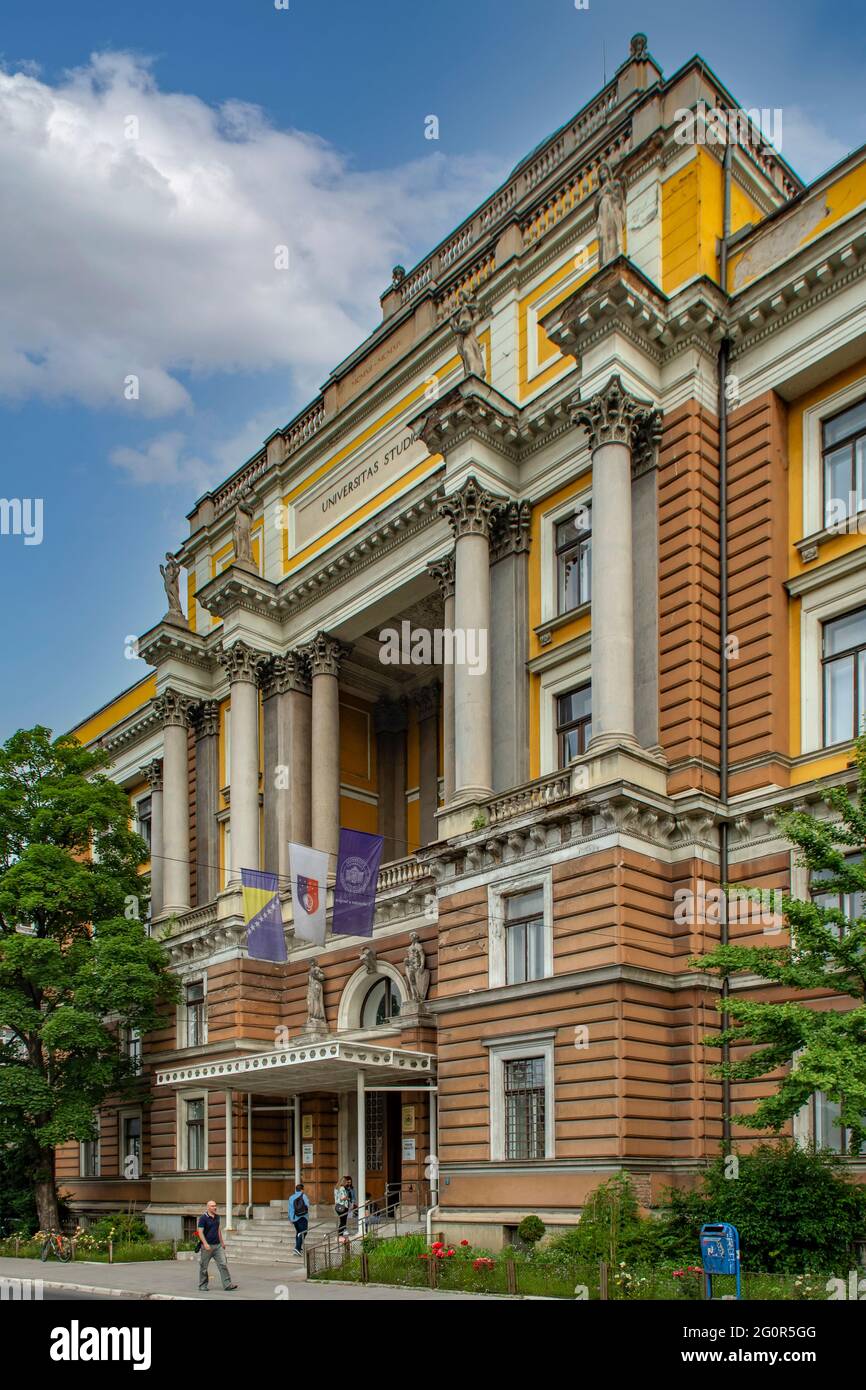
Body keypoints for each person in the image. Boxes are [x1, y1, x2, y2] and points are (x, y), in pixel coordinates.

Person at [196, 1200, 238, 1292]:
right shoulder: (203, 1218)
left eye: (215, 1205)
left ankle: (228, 1285)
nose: (214, 1207)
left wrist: (222, 1242)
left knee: (223, 1264)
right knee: (204, 1266)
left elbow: (218, 1230)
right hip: (207, 1247)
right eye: (212, 1206)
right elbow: (200, 1232)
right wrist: (205, 1244)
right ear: (208, 1207)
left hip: (217, 1246)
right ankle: (202, 1285)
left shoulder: (217, 1217)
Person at [288, 1182, 309, 1257]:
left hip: (294, 1218)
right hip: (302, 1217)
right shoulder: (303, 1196)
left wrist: (290, 1218)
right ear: (302, 1190)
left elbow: (289, 1209)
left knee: (298, 1232)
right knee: (304, 1232)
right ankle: (297, 1248)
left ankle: (298, 1248)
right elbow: (307, 1205)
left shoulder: (291, 1197)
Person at [334, 1175, 355, 1241]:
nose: (347, 1183)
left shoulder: (336, 1188)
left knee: (342, 1221)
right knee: (343, 1221)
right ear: (344, 1182)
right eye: (346, 1182)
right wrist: (348, 1198)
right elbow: (343, 1197)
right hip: (343, 1206)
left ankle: (340, 1234)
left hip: (337, 1206)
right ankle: (340, 1235)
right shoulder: (342, 1188)